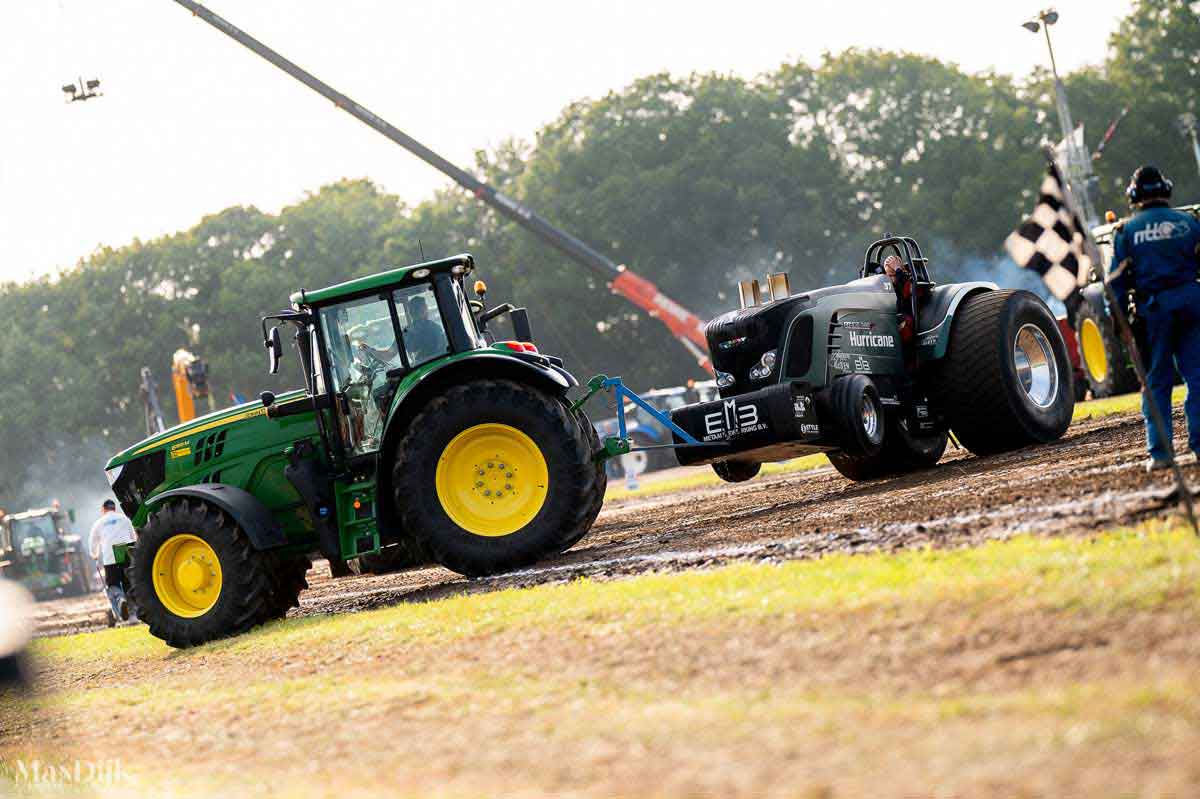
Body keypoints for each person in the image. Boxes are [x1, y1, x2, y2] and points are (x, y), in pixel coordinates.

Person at [1109, 165, 1200, 472]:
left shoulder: (1126, 232)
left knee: (1157, 382)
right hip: (1192, 305)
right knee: (1199, 377)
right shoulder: (1190, 223)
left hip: (1154, 313)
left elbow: (1116, 285)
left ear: (1134, 195)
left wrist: (1118, 324)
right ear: (1166, 189)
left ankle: (1161, 454)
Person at [89, 499, 137, 623]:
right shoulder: (124, 519)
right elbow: (133, 537)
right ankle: (133, 616)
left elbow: (93, 541)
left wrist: (94, 555)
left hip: (110, 554)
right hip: (124, 551)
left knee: (112, 584)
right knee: (128, 583)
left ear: (103, 509)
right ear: (114, 508)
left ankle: (120, 599)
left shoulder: (99, 523)